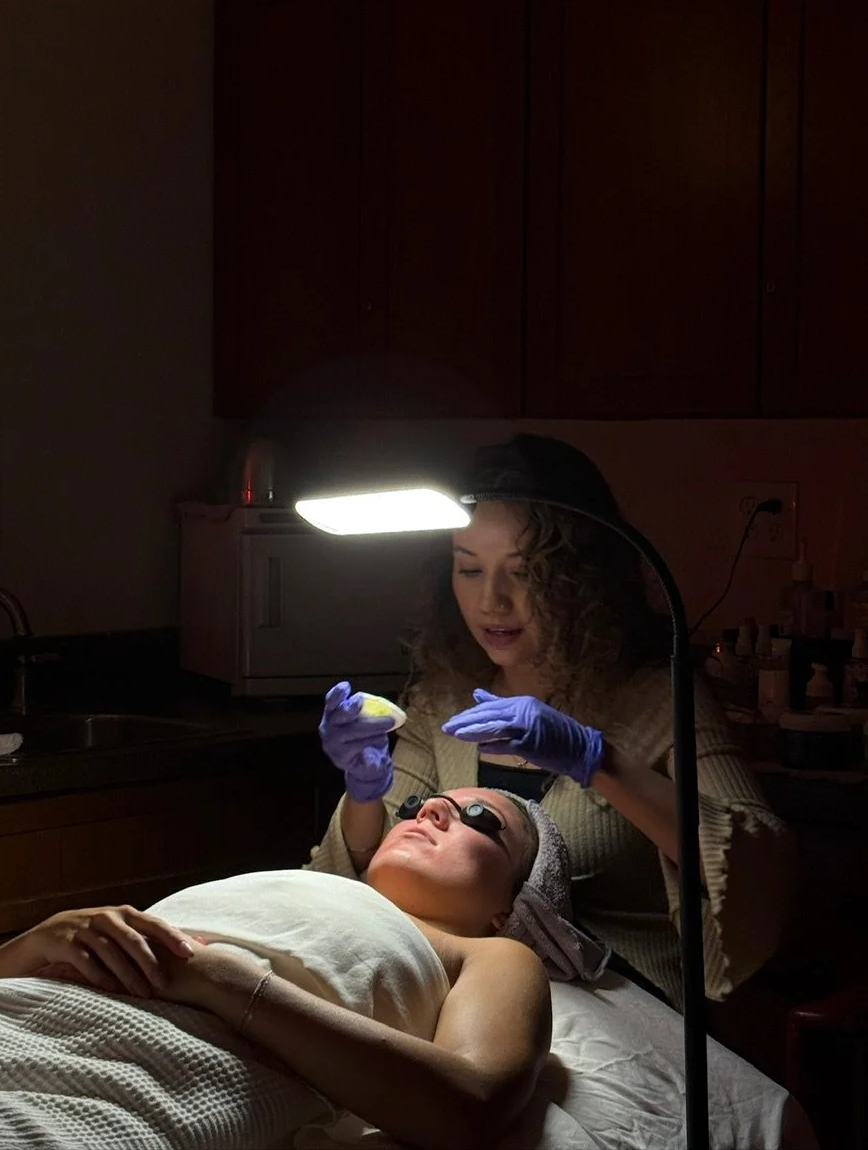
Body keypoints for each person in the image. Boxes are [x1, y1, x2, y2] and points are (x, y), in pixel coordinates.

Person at [308, 433, 796, 1010]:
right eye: (469, 569)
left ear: (582, 579)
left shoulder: (658, 700)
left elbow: (759, 868)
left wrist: (599, 761)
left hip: (621, 1009)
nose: (492, 601)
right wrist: (365, 794)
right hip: (460, 992)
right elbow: (369, 880)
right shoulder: (443, 700)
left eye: (524, 572)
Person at [0, 787, 602, 1150]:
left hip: (146, 1077)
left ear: (511, 907)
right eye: (421, 805)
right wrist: (42, 941)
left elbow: (471, 1105)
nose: (435, 810)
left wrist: (225, 983)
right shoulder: (297, 884)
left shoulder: (487, 953)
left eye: (481, 818)